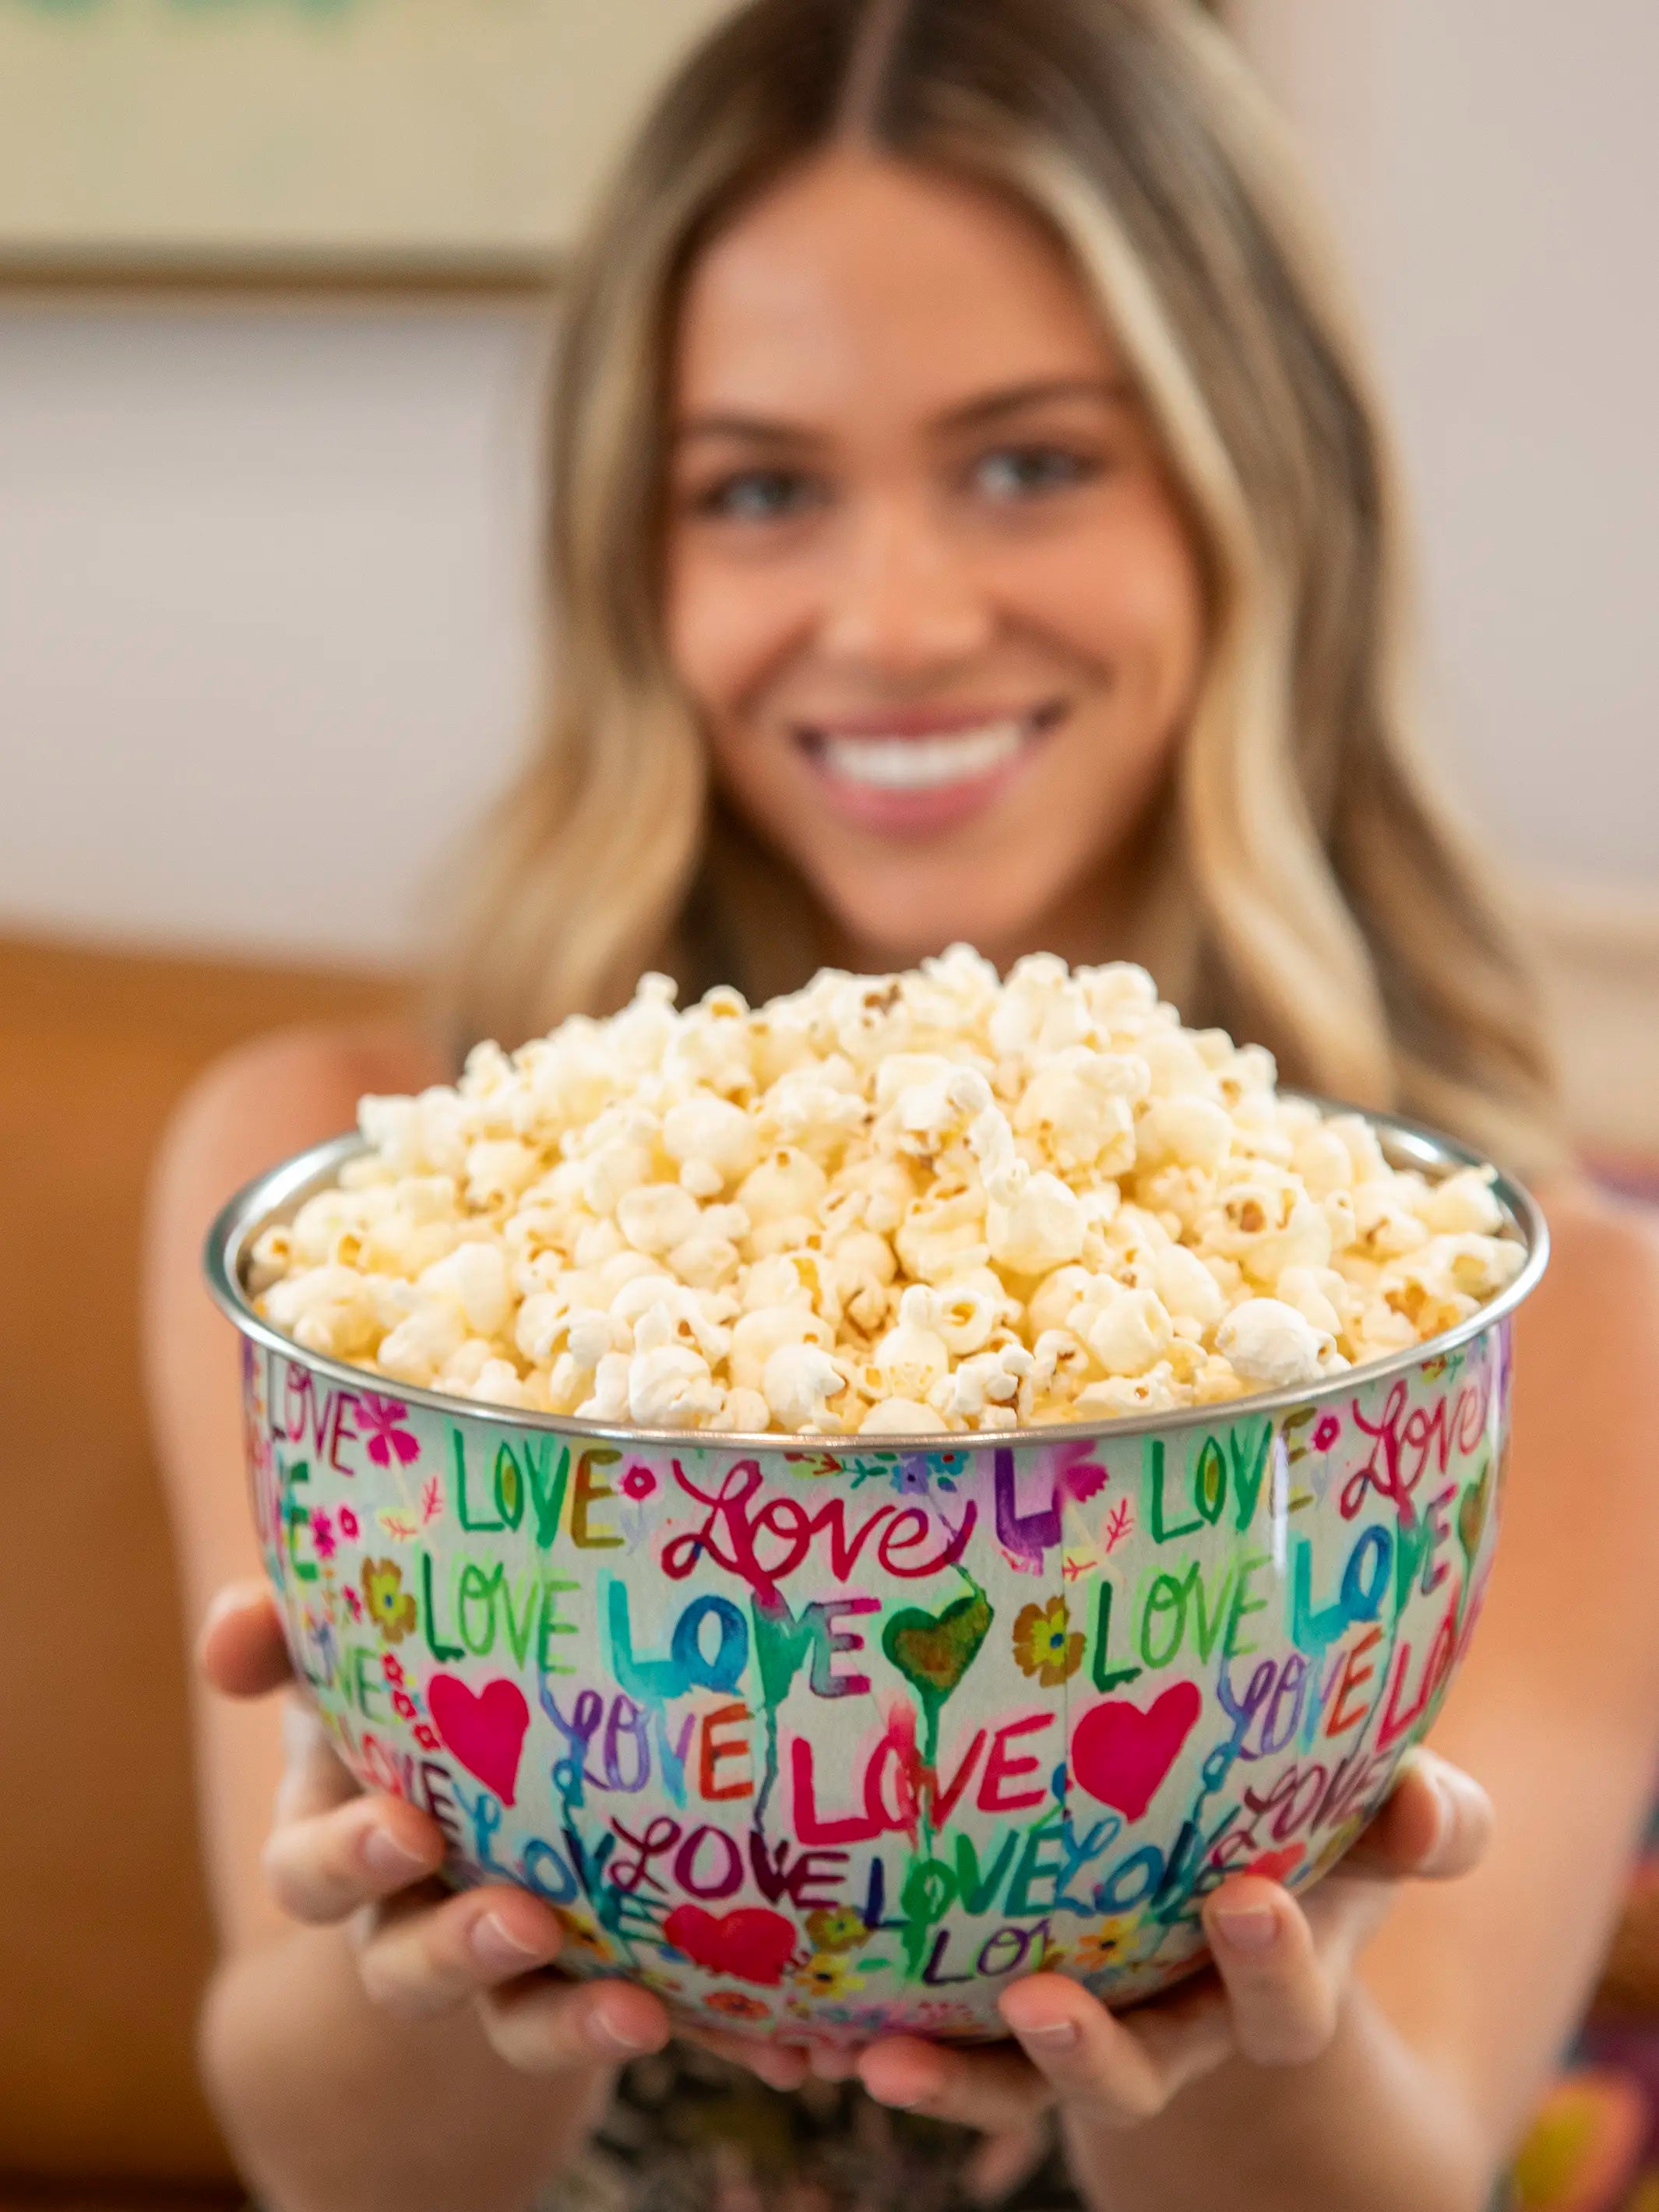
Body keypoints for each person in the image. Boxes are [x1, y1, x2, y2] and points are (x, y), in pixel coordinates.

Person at [144, 2, 1659, 2207]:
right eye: (759, 487)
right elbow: (332, 2174)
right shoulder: (342, 1208)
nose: (898, 614)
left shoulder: (1528, 1309)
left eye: (1032, 459)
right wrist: (424, 1895)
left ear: (1262, 488)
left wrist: (1241, 2000)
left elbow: (1395, 2178)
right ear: (629, 558)